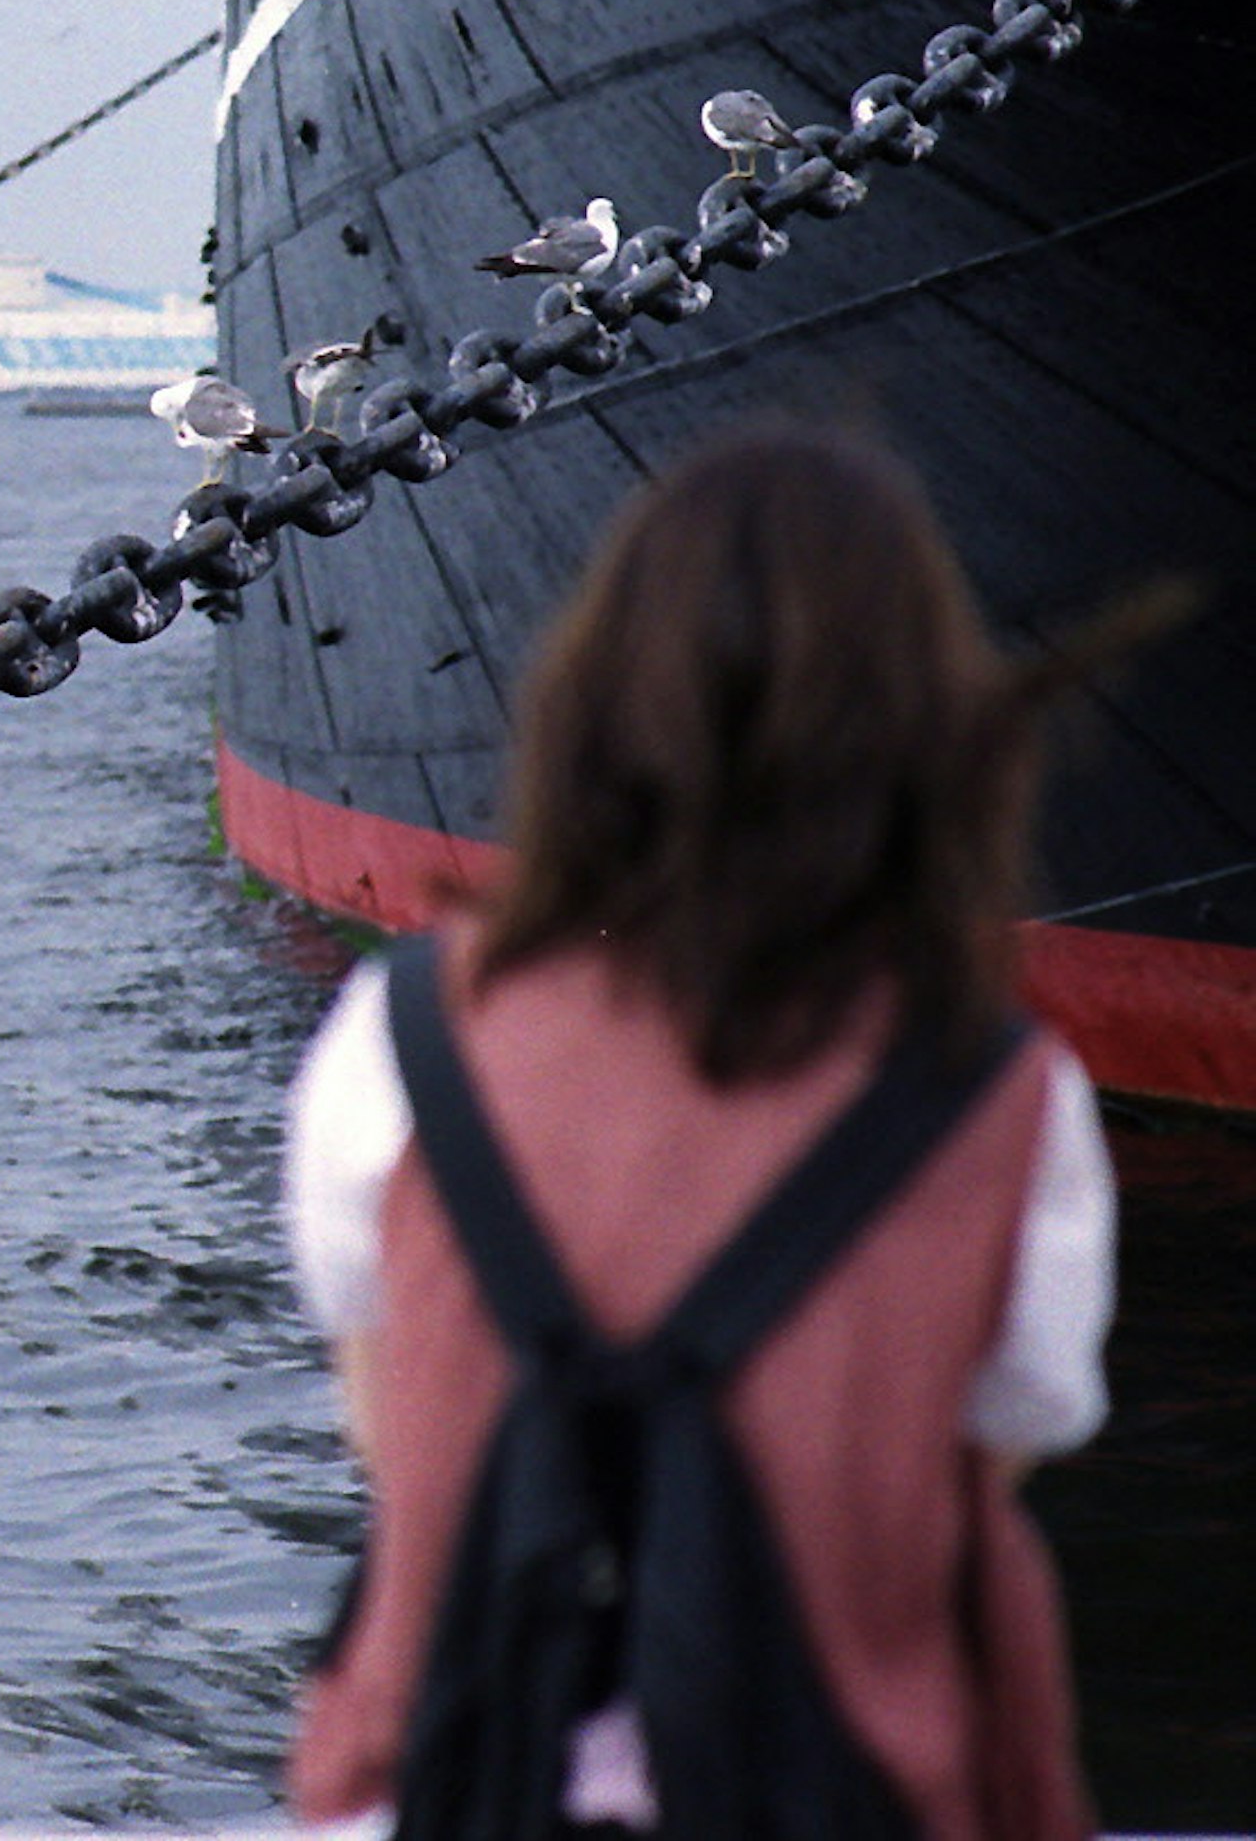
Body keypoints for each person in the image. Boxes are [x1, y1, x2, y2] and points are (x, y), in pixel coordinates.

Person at [280, 426, 1118, 1835]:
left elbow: (390, 1414)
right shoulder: (1003, 1094)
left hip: (460, 1789)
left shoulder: (396, 1040)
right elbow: (1005, 1432)